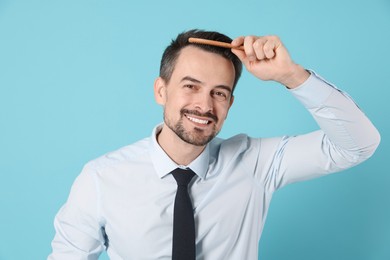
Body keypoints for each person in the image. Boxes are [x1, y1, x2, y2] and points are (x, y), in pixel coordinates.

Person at [48, 29, 380, 259]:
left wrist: (291, 75)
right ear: (160, 91)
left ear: (230, 103)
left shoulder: (255, 163)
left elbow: (359, 144)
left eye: (219, 92)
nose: (205, 105)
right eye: (190, 86)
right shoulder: (101, 179)